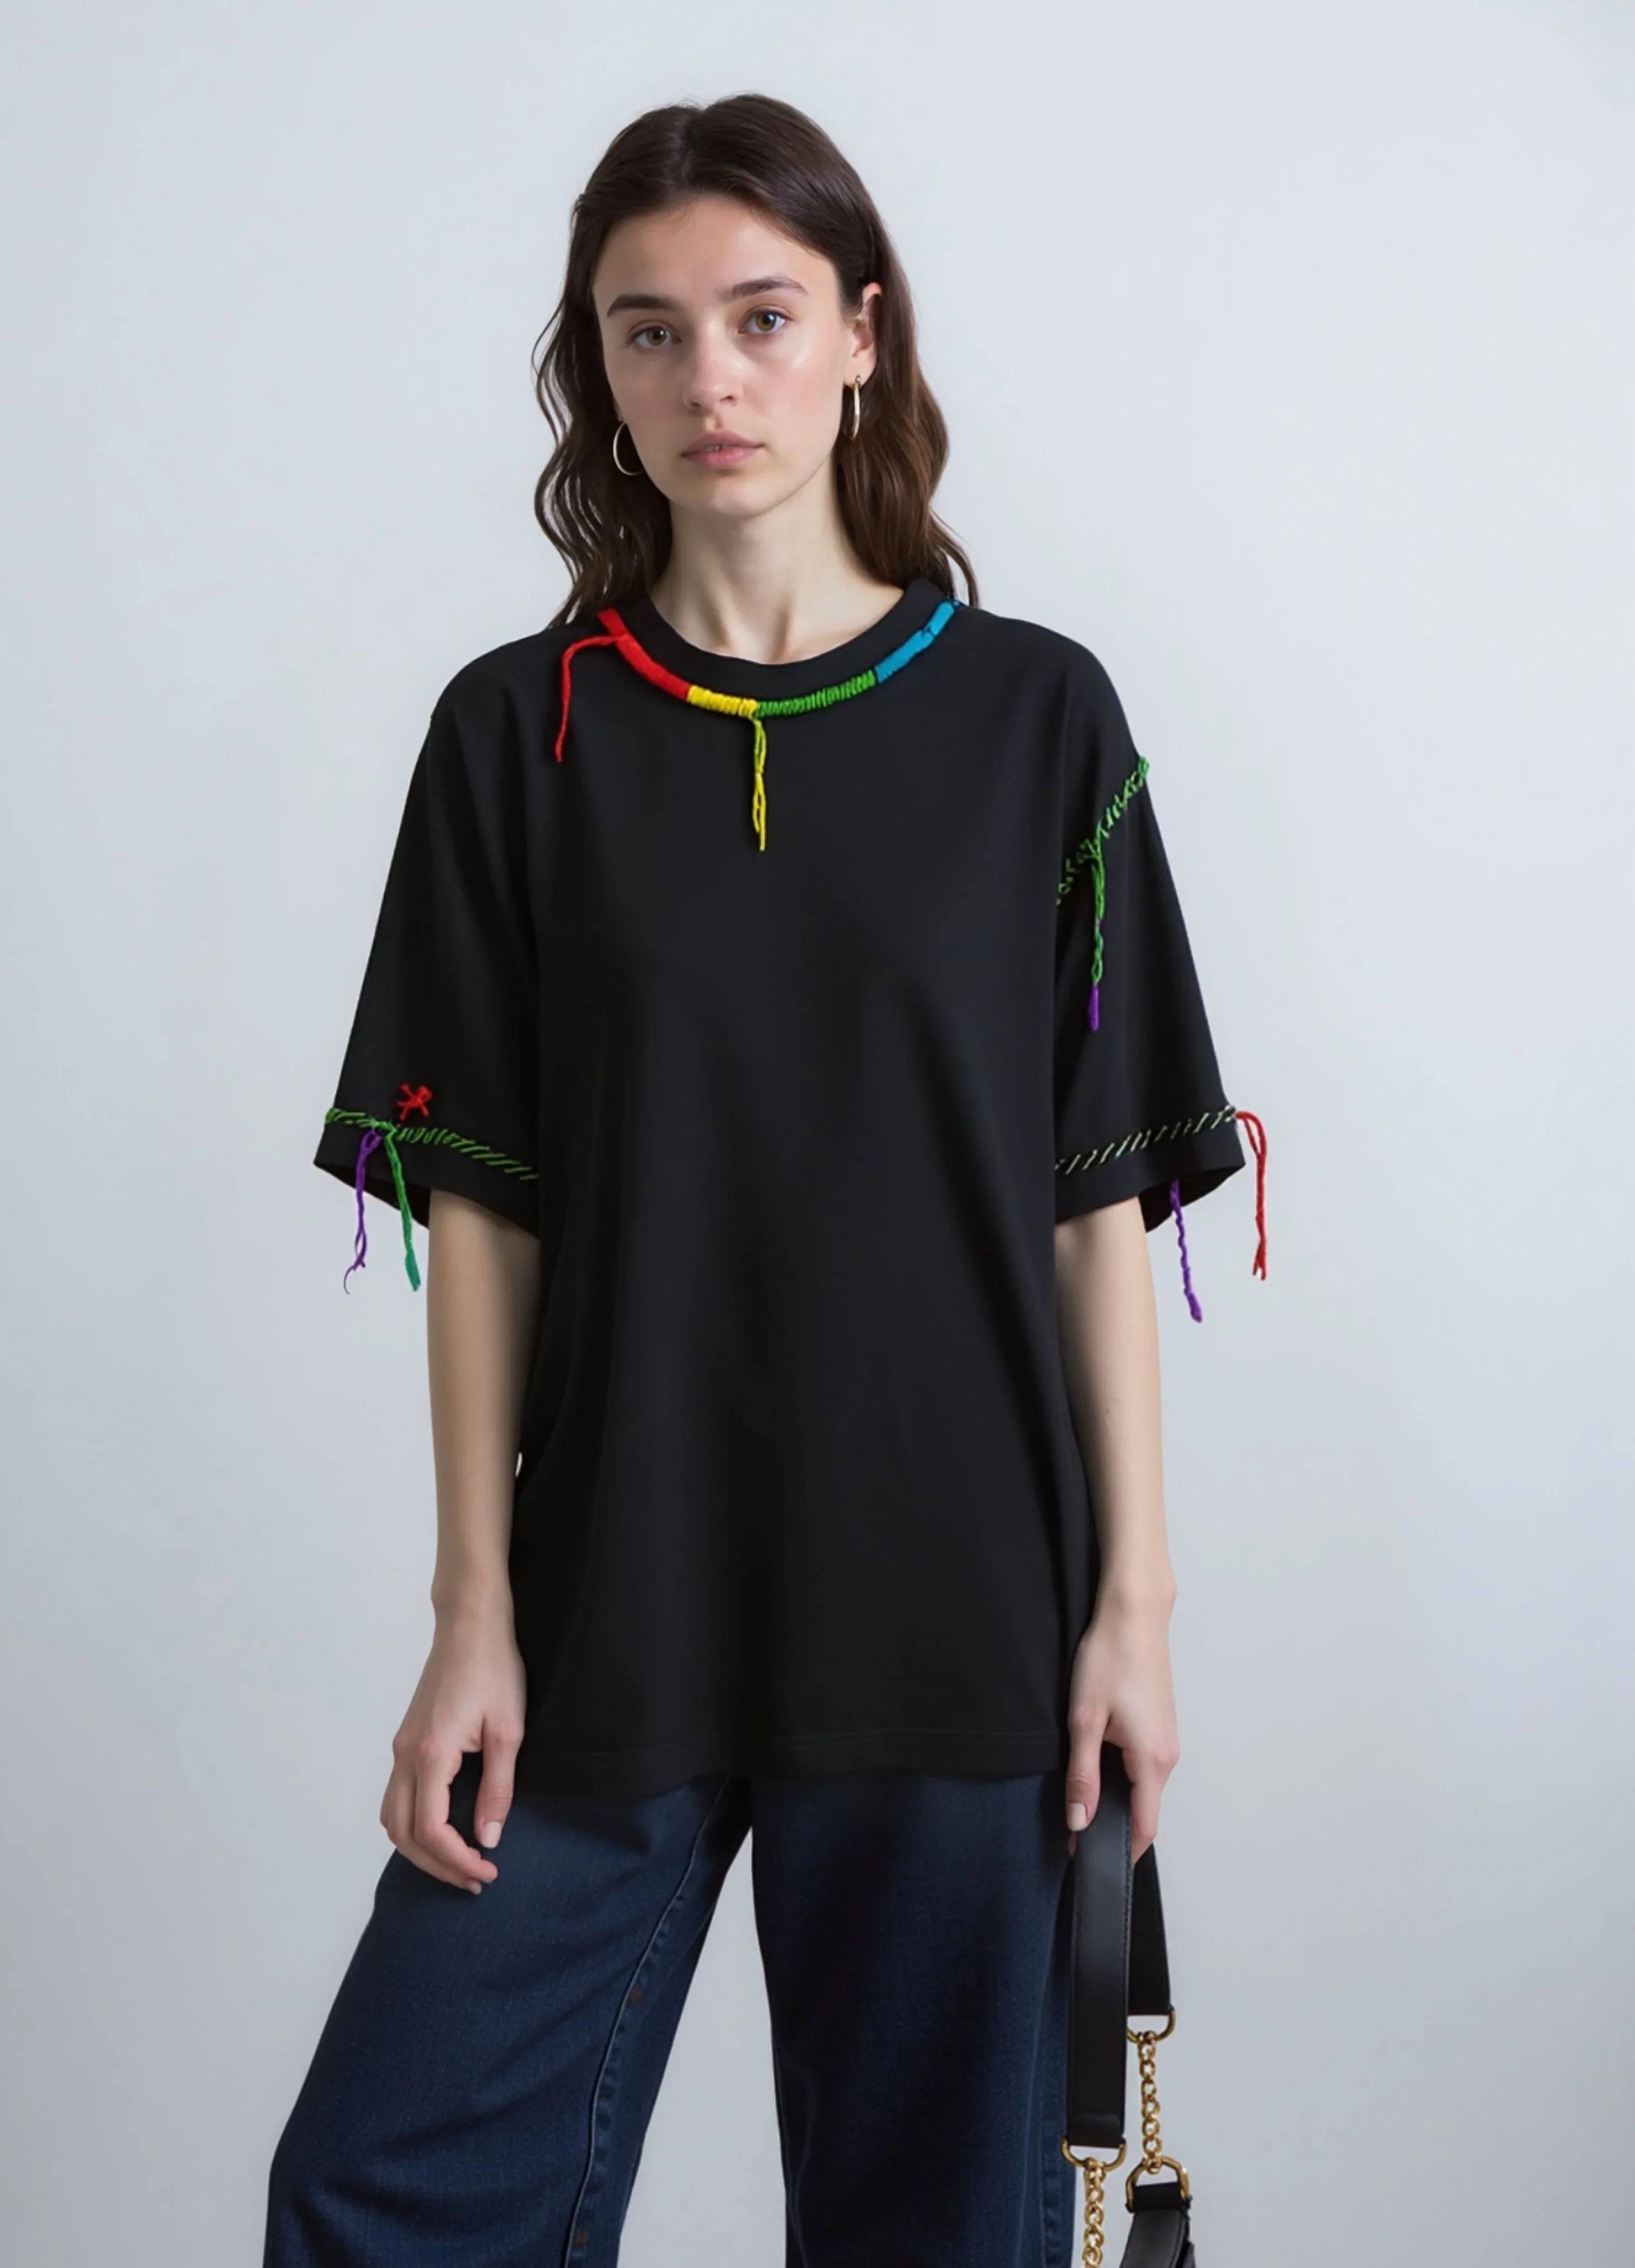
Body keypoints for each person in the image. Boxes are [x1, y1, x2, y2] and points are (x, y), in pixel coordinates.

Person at [264, 90, 1268, 2268]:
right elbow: (485, 1216)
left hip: (961, 1606)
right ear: (596, 375)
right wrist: (470, 1615)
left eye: (758, 315)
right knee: (380, 2193)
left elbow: (1098, 1201)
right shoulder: (516, 738)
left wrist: (1138, 1609)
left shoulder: (1037, 723)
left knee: (941, 2234)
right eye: (646, 333)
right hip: (614, 1593)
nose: (706, 378)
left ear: (859, 339)